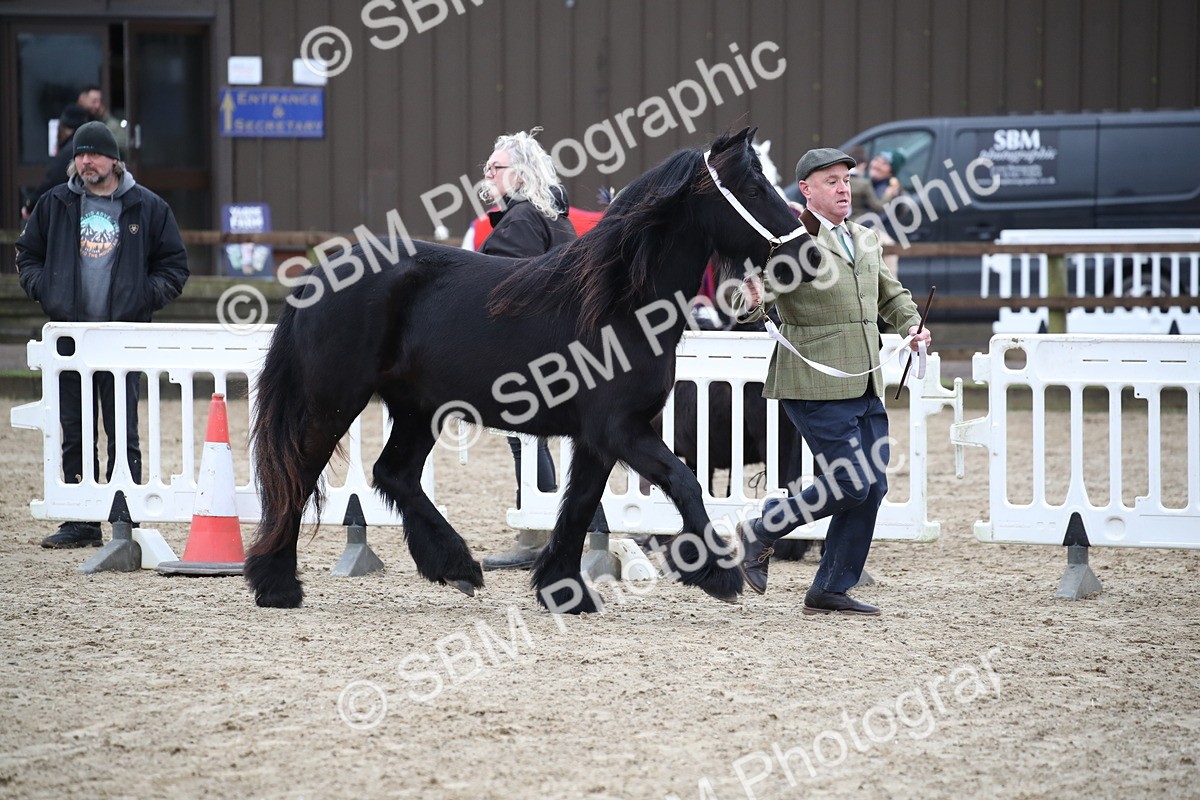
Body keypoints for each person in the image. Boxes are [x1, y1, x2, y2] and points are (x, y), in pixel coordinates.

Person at [732, 147, 932, 616]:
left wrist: (911, 324)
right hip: (813, 382)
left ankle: (829, 589)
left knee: (872, 488)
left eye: (846, 180)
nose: (843, 189)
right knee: (850, 483)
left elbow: (891, 296)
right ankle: (762, 529)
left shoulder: (865, 238)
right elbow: (750, 305)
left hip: (865, 382)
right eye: (831, 181)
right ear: (806, 190)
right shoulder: (790, 244)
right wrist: (752, 297)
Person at [15, 121, 189, 548]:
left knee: (122, 429)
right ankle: (81, 521)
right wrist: (47, 290)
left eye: (93, 153)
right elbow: (27, 255)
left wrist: (141, 298)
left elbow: (174, 266)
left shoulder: (148, 206)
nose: (85, 161)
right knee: (73, 429)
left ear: (114, 159)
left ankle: (123, 517)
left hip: (121, 338)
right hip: (70, 339)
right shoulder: (54, 204)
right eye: (79, 154)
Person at [475, 129, 608, 570]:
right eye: (488, 167)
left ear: (519, 173)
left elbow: (503, 287)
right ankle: (543, 533)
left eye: (496, 167)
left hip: (532, 350)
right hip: (561, 347)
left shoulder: (522, 220)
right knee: (539, 441)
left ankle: (536, 535)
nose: (488, 174)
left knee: (527, 440)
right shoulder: (548, 215)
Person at [21, 104, 93, 220]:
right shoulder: (87, 146)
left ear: (65, 128)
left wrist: (31, 205)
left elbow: (52, 181)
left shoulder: (70, 150)